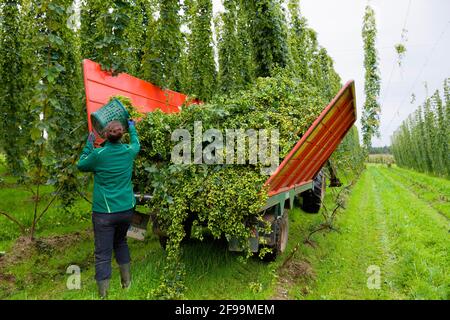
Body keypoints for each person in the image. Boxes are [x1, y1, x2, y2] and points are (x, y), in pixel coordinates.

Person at [77, 119, 140, 299]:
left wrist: (89, 143)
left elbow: (81, 165)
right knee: (121, 243)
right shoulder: (129, 152)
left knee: (103, 253)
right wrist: (133, 127)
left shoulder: (99, 154)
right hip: (126, 210)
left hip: (104, 213)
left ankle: (103, 295)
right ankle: (126, 284)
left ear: (105, 135)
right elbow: (136, 144)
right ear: (122, 135)